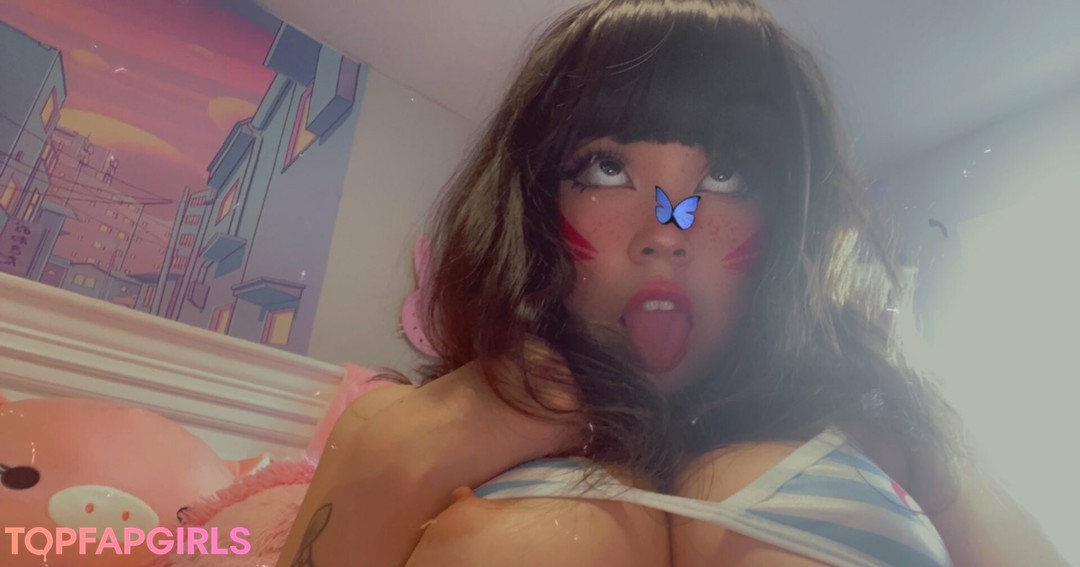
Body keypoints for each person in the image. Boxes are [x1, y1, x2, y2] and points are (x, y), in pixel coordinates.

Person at [278, 0, 1068, 565]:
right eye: (606, 167)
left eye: (725, 174)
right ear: (535, 200)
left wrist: (920, 437)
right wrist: (385, 461)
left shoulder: (894, 425)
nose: (666, 230)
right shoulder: (409, 420)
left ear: (788, 219)